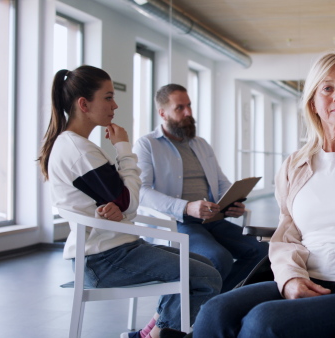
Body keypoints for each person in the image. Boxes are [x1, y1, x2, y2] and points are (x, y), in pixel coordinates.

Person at [159, 53, 335, 338]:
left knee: (263, 322)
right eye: (327, 88)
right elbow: (286, 235)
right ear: (313, 102)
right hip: (305, 276)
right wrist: (289, 278)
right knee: (214, 311)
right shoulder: (294, 165)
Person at [38, 66, 222, 338]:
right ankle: (159, 335)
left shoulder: (76, 145)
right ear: (84, 104)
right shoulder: (79, 150)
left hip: (116, 248)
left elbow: (121, 202)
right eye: (108, 97)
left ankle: (147, 334)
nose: (115, 105)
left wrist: (121, 205)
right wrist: (124, 148)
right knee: (206, 277)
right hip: (106, 258)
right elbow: (129, 202)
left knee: (204, 267)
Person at [133, 84, 269, 292]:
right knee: (218, 258)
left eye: (189, 106)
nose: (188, 113)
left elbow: (222, 183)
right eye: (180, 108)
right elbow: (141, 192)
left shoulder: (201, 144)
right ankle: (210, 306)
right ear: (163, 113)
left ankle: (219, 300)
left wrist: (232, 202)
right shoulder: (147, 145)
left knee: (261, 251)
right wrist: (186, 207)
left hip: (211, 219)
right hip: (179, 222)